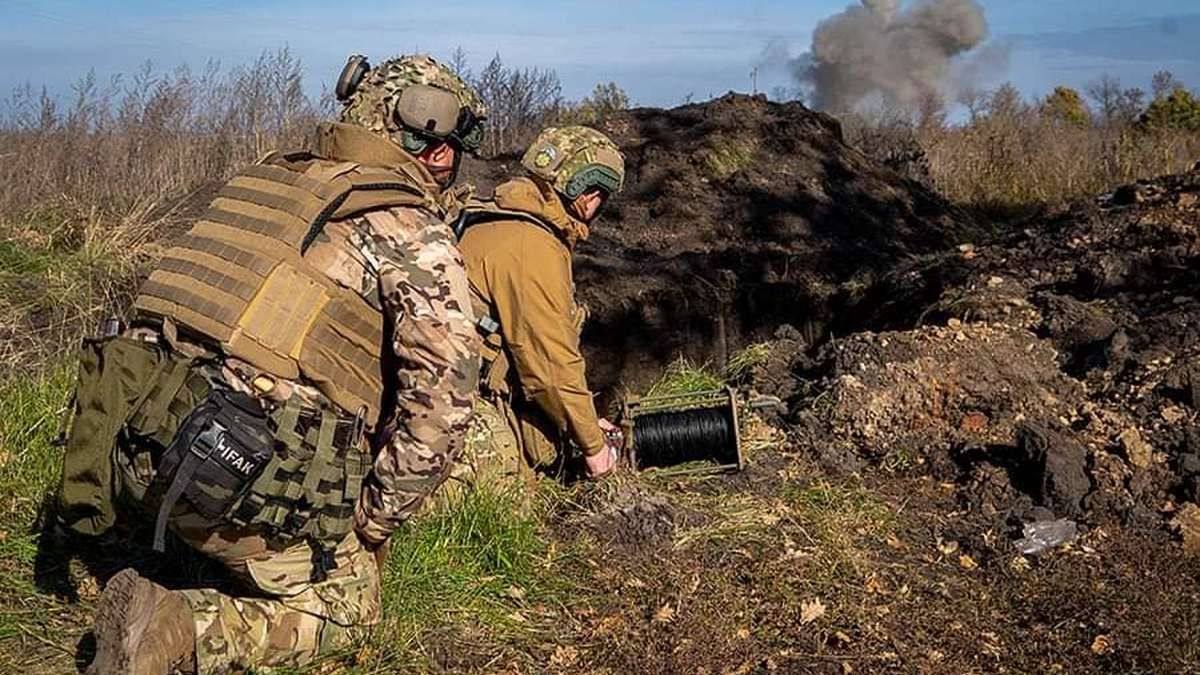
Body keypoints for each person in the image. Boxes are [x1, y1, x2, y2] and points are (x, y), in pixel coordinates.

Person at [57, 53, 485, 674]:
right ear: (434, 144)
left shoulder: (268, 177)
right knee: (350, 609)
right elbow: (444, 402)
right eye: (448, 142)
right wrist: (373, 521)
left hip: (129, 451)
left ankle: (186, 543)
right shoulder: (409, 226)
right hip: (223, 471)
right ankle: (179, 626)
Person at [451, 126, 626, 492]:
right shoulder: (533, 247)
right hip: (450, 400)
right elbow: (551, 367)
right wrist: (596, 451)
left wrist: (587, 421)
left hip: (433, 382)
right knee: (514, 491)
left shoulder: (488, 211)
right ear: (589, 195)